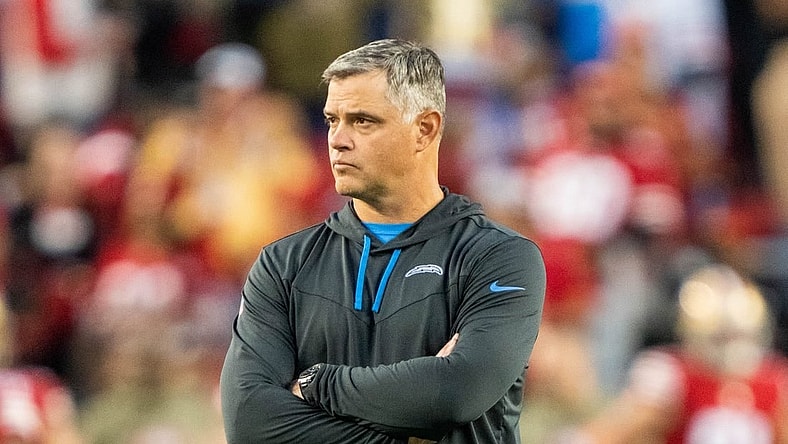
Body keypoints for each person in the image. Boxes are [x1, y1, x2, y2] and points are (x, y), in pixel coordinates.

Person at [219, 39, 546, 443]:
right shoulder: (283, 264)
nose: (337, 139)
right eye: (332, 120)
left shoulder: (498, 257)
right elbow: (249, 423)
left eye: (362, 121)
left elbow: (456, 392)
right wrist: (407, 435)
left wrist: (318, 384)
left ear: (425, 129)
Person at [557, 263, 788, 444]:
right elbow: (610, 432)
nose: (732, 349)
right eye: (722, 338)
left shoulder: (775, 382)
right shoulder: (672, 375)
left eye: (738, 337)